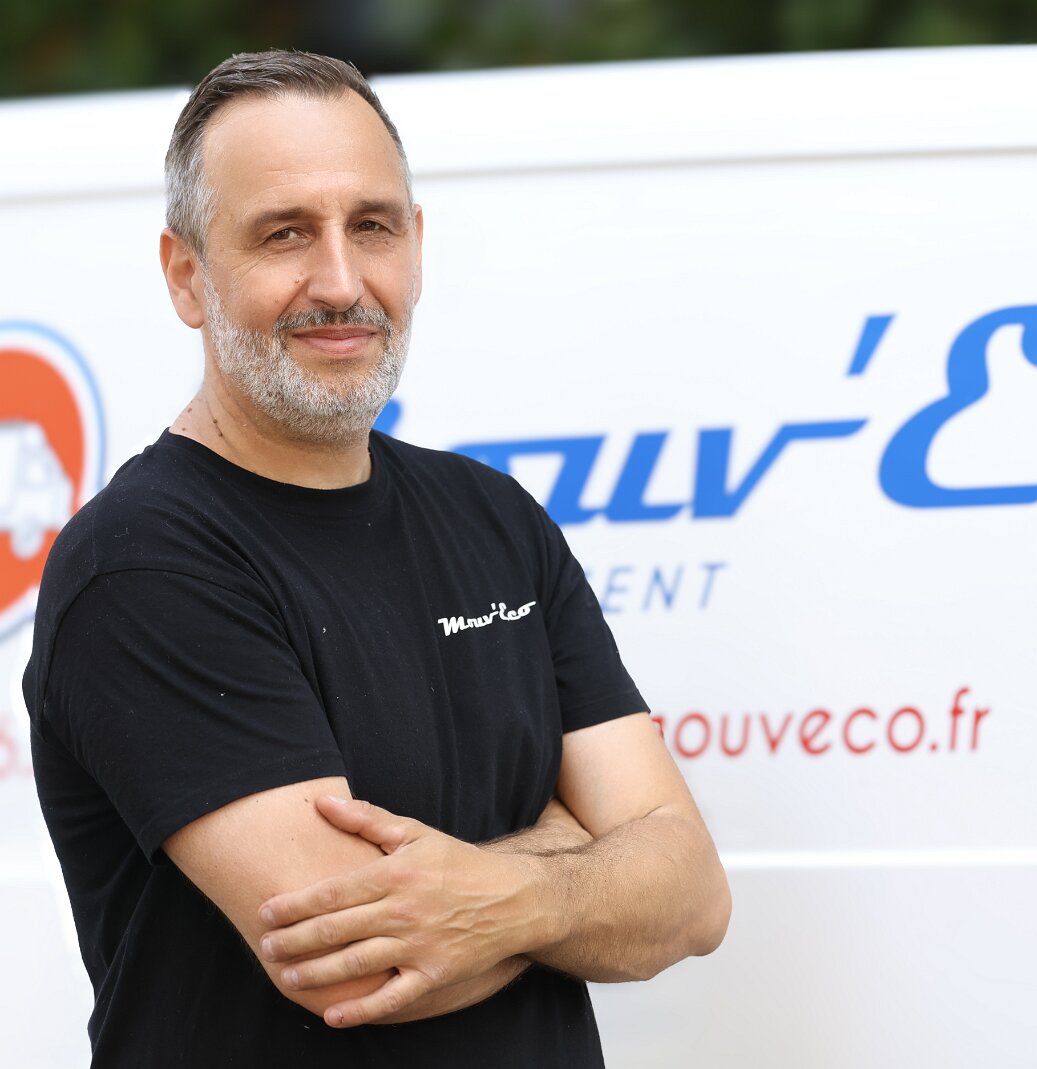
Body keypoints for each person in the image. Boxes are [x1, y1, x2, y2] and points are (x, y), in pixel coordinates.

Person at [22, 50, 731, 1067]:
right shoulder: (142, 564)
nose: (342, 282)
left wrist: (494, 897)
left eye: (372, 226)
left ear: (418, 246)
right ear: (187, 275)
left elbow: (692, 892)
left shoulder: (494, 519)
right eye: (284, 233)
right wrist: (580, 849)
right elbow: (353, 962)